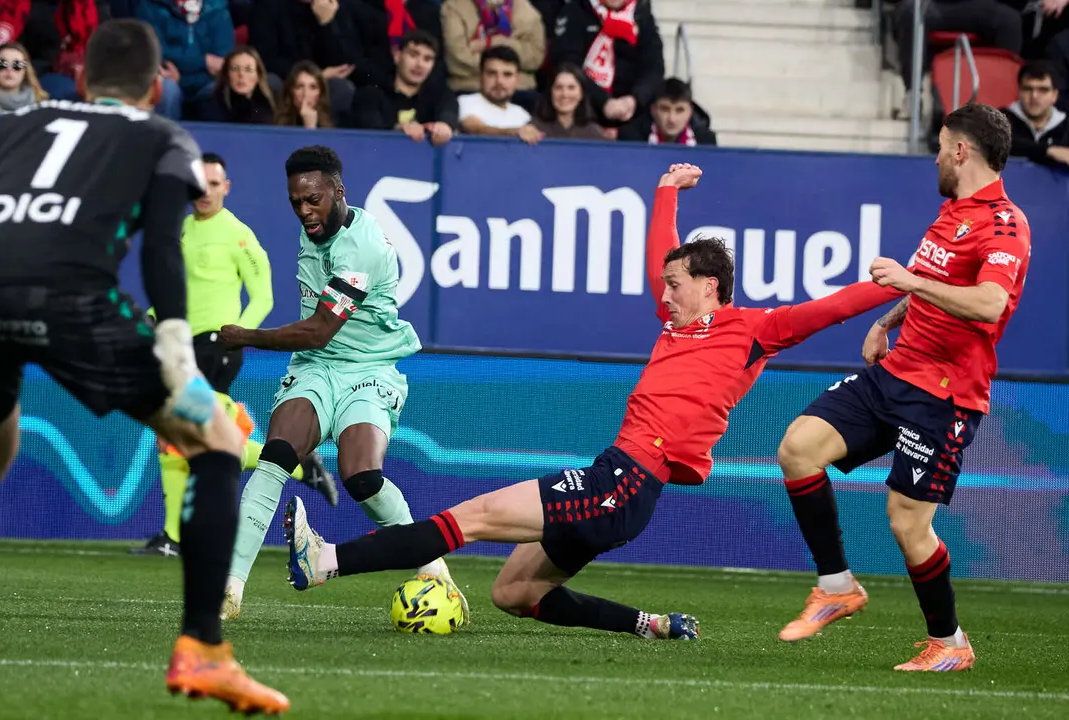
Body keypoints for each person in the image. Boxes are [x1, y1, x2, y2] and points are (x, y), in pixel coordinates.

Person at [0, 19, 289, 714]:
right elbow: (163, 244)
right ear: (154, 87)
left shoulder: (4, 127)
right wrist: (173, 339)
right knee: (218, 439)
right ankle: (205, 649)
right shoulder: (164, 135)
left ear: (79, 78)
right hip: (73, 295)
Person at [280, 162, 904, 642]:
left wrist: (890, 287)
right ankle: (651, 625)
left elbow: (824, 313)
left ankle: (326, 560)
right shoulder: (677, 322)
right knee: (514, 592)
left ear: (712, 287)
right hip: (620, 487)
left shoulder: (750, 331)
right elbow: (661, 250)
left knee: (463, 521)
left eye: (677, 284)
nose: (666, 292)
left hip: (625, 483)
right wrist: (667, 191)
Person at [775, 103, 1028, 673]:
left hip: (946, 395)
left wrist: (910, 281)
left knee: (908, 522)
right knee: (798, 448)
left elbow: (990, 304)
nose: (935, 155)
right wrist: (888, 321)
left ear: (962, 150)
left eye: (940, 144)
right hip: (896, 374)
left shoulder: (1005, 223)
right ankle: (837, 585)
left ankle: (950, 644)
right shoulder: (951, 213)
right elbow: (930, 285)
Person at [214, 145, 467, 622]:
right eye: (296, 202)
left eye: (314, 200)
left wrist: (244, 335)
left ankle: (435, 570)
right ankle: (229, 591)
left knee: (361, 477)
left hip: (369, 369)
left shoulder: (361, 247)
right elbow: (316, 341)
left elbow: (319, 327)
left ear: (338, 191)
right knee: (274, 458)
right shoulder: (315, 228)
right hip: (316, 368)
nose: (305, 211)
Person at [134, 152, 337, 559]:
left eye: (214, 183)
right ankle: (297, 465)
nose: (206, 191)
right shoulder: (181, 230)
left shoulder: (238, 234)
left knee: (185, 431)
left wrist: (238, 335)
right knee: (176, 436)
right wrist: (153, 318)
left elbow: (263, 294)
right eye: (200, 183)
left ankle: (175, 537)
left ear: (226, 187)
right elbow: (176, 287)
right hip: (180, 343)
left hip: (215, 345)